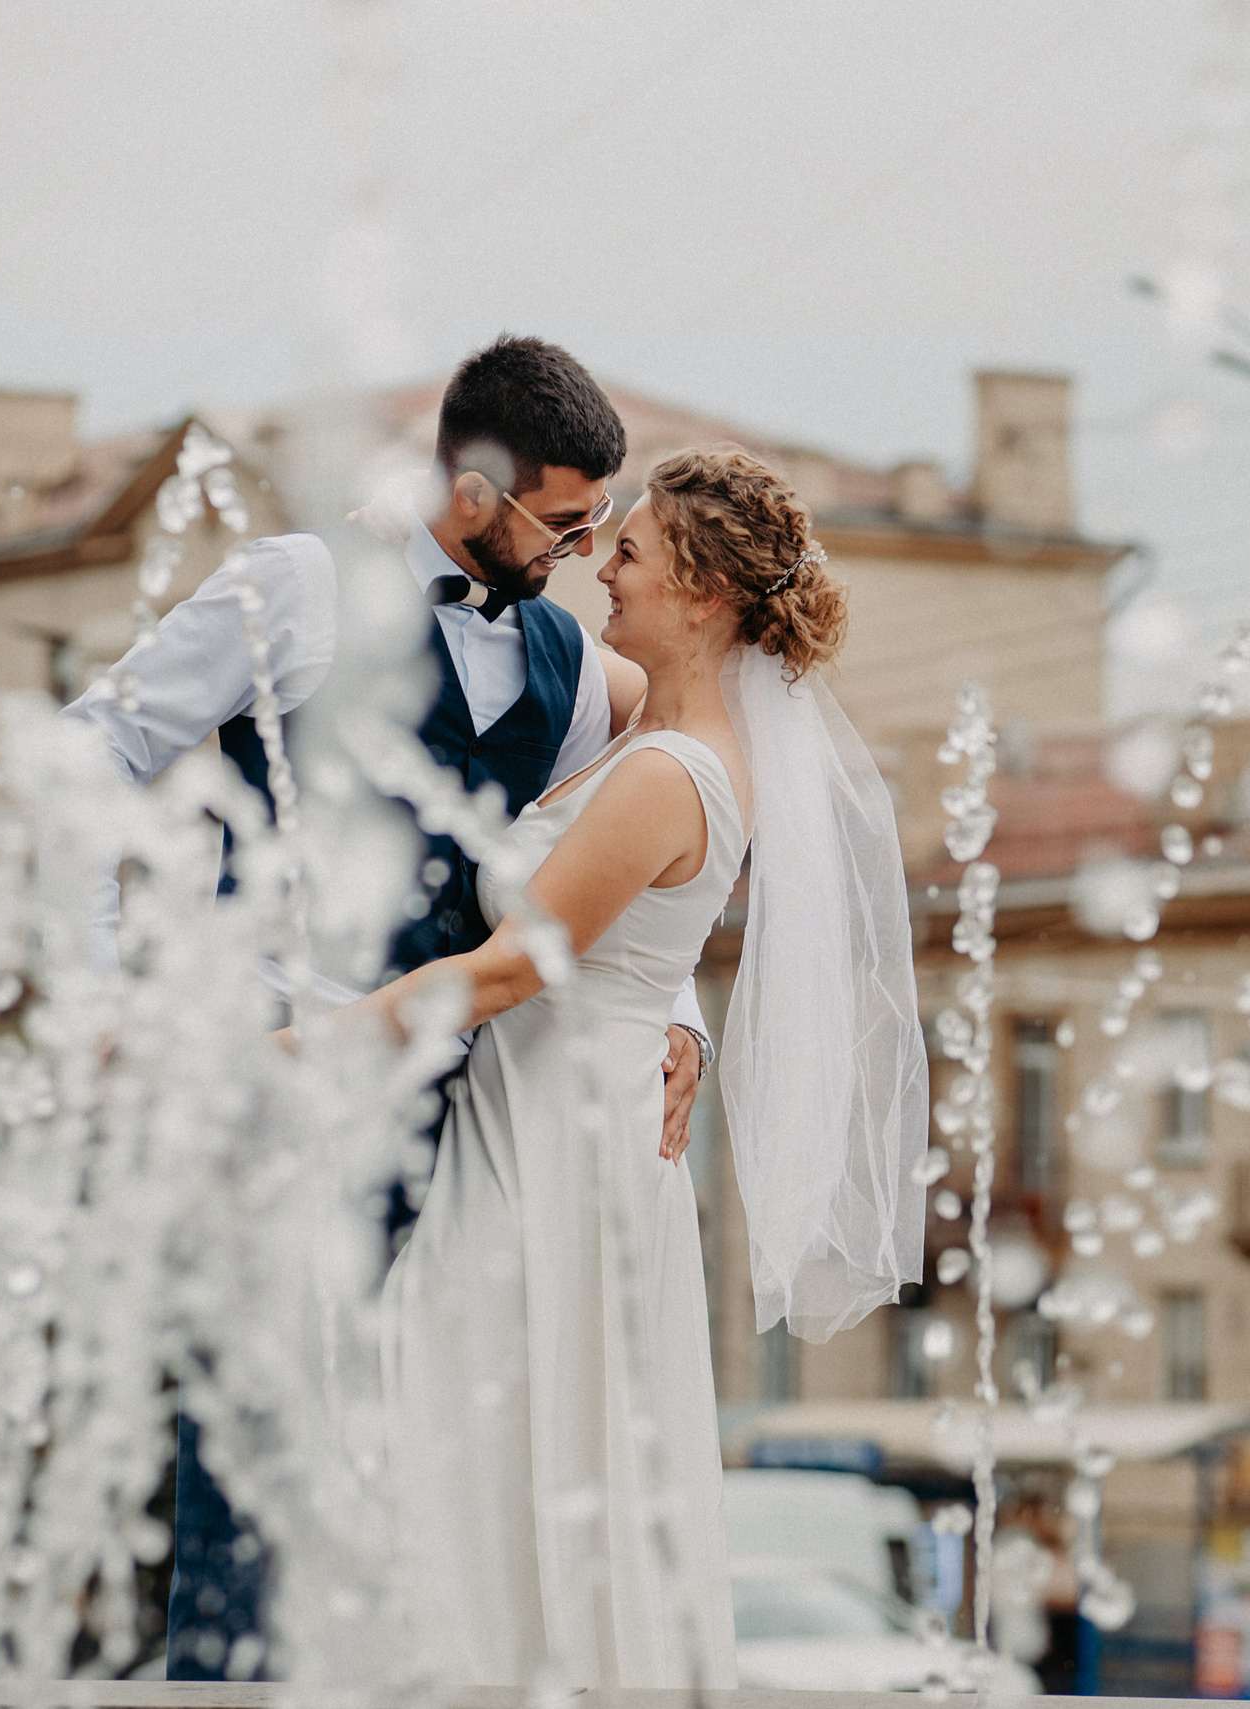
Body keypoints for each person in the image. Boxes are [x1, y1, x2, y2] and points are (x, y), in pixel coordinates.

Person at [64, 337, 713, 1679]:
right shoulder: (296, 586)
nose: (582, 553)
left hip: (467, 1124)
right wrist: (99, 989)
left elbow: (612, 867)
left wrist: (681, 1014)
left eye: (600, 524)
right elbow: (93, 743)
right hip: (270, 1090)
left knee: (421, 1483)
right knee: (251, 1475)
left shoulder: (568, 661)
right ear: (474, 490)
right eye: (564, 521)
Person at [283, 449, 927, 1687]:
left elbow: (506, 972)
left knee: (465, 1422)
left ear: (702, 592)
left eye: (627, 552)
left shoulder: (673, 771)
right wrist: (391, 546)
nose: (600, 569)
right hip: (556, 1116)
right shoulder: (657, 717)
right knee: (492, 1440)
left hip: (560, 1149)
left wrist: (285, 1052)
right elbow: (501, 628)